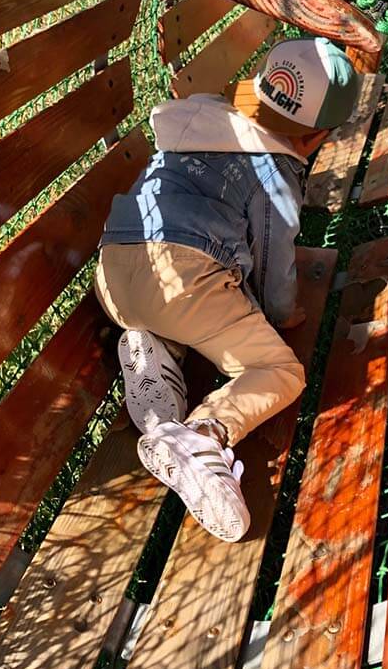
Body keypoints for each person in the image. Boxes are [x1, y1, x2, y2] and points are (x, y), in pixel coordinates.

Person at [95, 37, 358, 543]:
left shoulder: (201, 118)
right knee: (279, 370)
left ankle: (152, 350)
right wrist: (282, 316)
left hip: (113, 270)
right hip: (185, 274)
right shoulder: (276, 169)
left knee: (179, 318)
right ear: (319, 136)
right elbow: (272, 258)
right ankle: (202, 436)